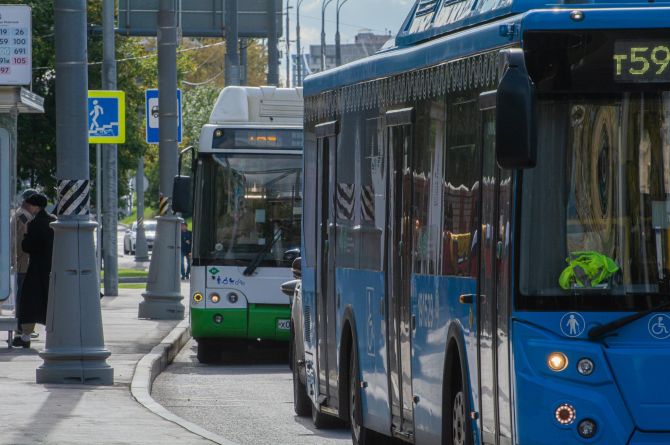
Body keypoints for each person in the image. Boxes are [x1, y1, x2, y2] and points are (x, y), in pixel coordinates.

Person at [13, 193, 55, 348]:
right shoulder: (53, 221)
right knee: (52, 302)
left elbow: (27, 246)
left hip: (37, 269)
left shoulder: (35, 223)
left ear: (36, 207)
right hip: (53, 268)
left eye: (30, 204)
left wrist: (25, 234)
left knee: (29, 302)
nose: (27, 207)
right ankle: (55, 333)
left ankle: (25, 337)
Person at [10, 189, 38, 339]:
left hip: (21, 261)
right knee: (24, 297)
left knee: (23, 296)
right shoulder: (24, 216)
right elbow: (23, 240)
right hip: (24, 262)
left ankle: (23, 328)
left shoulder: (20, 214)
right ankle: (22, 329)